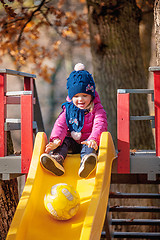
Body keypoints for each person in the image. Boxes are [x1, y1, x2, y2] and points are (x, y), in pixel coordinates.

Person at [40, 63, 107, 178]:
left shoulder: (97, 109)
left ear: (91, 96)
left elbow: (100, 124)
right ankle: (57, 161)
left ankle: (87, 162)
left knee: (89, 147)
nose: (80, 99)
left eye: (84, 95)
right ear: (71, 98)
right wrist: (56, 140)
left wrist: (93, 139)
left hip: (89, 142)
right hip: (73, 143)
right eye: (76, 97)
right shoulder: (68, 109)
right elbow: (60, 125)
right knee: (63, 141)